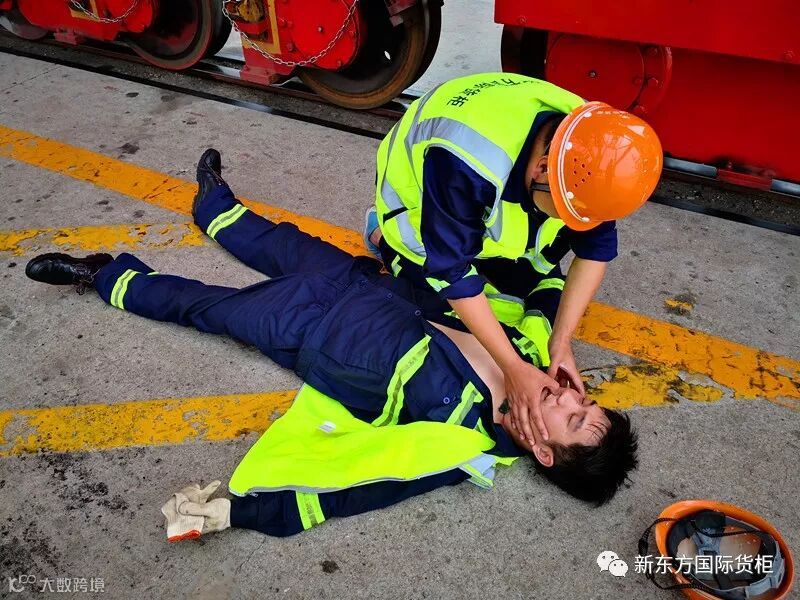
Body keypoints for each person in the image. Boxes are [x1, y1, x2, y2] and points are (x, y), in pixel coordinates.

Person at [25, 150, 638, 540]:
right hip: (366, 283)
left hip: (310, 329)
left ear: (544, 453)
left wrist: (237, 513)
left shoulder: (460, 445)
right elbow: (544, 287)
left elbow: (358, 485)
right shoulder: (537, 354)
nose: (569, 397)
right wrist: (561, 326)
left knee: (204, 307)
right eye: (586, 401)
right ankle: (213, 204)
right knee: (276, 240)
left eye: (572, 418)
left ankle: (101, 275)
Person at [365, 72, 663, 450]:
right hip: (419, 204)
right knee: (428, 287)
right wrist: (512, 367)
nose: (567, 397)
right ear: (542, 169)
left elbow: (595, 249)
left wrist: (560, 342)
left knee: (527, 270)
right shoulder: (466, 160)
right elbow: (452, 272)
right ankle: (380, 234)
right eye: (565, 212)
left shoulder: (589, 147)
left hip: (483, 191)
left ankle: (483, 240)